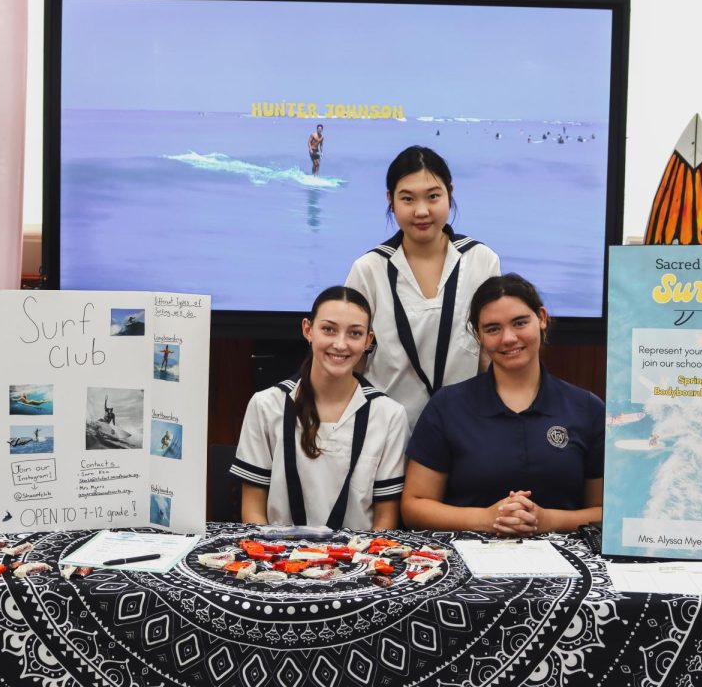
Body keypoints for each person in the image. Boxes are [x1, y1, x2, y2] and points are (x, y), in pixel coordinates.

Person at [401, 274, 603, 533]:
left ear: (542, 318)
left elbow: (606, 511)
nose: (508, 338)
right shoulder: (447, 406)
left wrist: (547, 520)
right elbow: (414, 506)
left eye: (519, 323)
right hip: (465, 563)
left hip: (568, 566)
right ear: (479, 335)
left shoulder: (587, 409)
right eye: (493, 328)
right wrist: (486, 519)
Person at [346, 146, 500, 430]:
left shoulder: (481, 260)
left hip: (464, 430)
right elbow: (351, 360)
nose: (421, 211)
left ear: (450, 193)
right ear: (390, 200)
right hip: (386, 433)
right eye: (407, 198)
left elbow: (488, 356)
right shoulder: (369, 269)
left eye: (433, 196)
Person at [231, 286, 408, 530]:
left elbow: (385, 520)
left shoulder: (389, 415)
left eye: (354, 333)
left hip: (360, 561)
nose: (340, 344)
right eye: (328, 329)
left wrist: (363, 566)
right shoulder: (265, 405)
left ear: (368, 340)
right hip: (278, 560)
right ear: (308, 329)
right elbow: (253, 510)